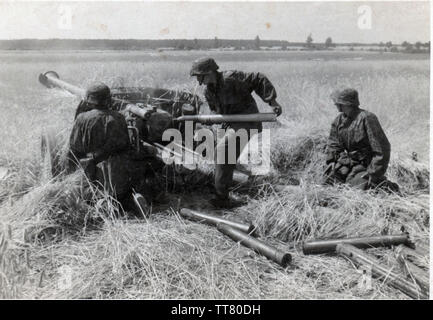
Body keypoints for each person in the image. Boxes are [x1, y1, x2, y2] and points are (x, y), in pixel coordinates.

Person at [190, 57, 283, 208]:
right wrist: (210, 120)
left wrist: (272, 101)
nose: (198, 80)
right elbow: (217, 112)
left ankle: (222, 198)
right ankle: (242, 181)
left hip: (247, 121)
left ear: (209, 72)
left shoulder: (231, 79)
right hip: (230, 124)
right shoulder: (209, 91)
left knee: (223, 151)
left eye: (199, 76)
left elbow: (258, 78)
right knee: (220, 153)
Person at [68, 82, 158, 212]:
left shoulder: (82, 118)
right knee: (124, 191)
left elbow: (75, 147)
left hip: (93, 169)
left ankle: (104, 205)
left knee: (87, 194)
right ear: (108, 99)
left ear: (89, 100)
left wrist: (71, 170)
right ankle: (133, 201)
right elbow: (126, 145)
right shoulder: (118, 117)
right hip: (119, 170)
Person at [323, 88, 399, 192]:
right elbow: (333, 143)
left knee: (358, 189)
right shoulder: (339, 120)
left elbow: (382, 149)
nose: (336, 105)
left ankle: (385, 186)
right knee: (328, 184)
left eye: (338, 103)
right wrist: (332, 161)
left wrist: (373, 173)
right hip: (348, 163)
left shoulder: (367, 118)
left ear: (348, 103)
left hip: (366, 165)